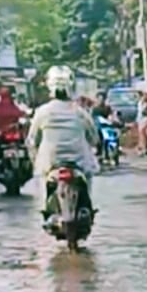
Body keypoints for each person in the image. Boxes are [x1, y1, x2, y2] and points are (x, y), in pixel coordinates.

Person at [26, 66, 100, 211]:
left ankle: (45, 209)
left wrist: (35, 158)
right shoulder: (80, 112)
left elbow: (32, 140)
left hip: (50, 163)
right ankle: (87, 209)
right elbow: (94, 138)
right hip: (79, 162)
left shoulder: (42, 112)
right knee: (88, 180)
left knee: (43, 186)